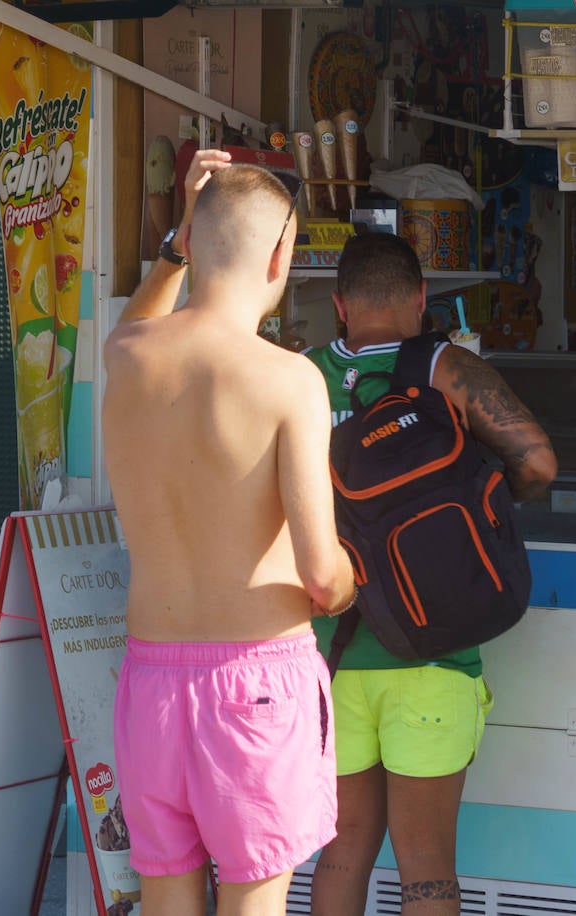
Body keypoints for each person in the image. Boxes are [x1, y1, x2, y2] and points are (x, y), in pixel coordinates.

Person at [103, 149, 357, 915]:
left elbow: (138, 320)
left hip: (150, 680)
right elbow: (320, 576)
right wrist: (351, 581)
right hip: (255, 684)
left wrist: (178, 241)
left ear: (191, 238)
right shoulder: (288, 379)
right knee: (254, 902)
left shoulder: (127, 359)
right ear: (283, 254)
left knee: (166, 897)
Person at [308, 231, 557, 916]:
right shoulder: (445, 368)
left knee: (341, 848)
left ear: (339, 307)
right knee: (424, 862)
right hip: (434, 649)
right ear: (421, 299)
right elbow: (538, 464)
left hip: (329, 654)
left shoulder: (298, 378)